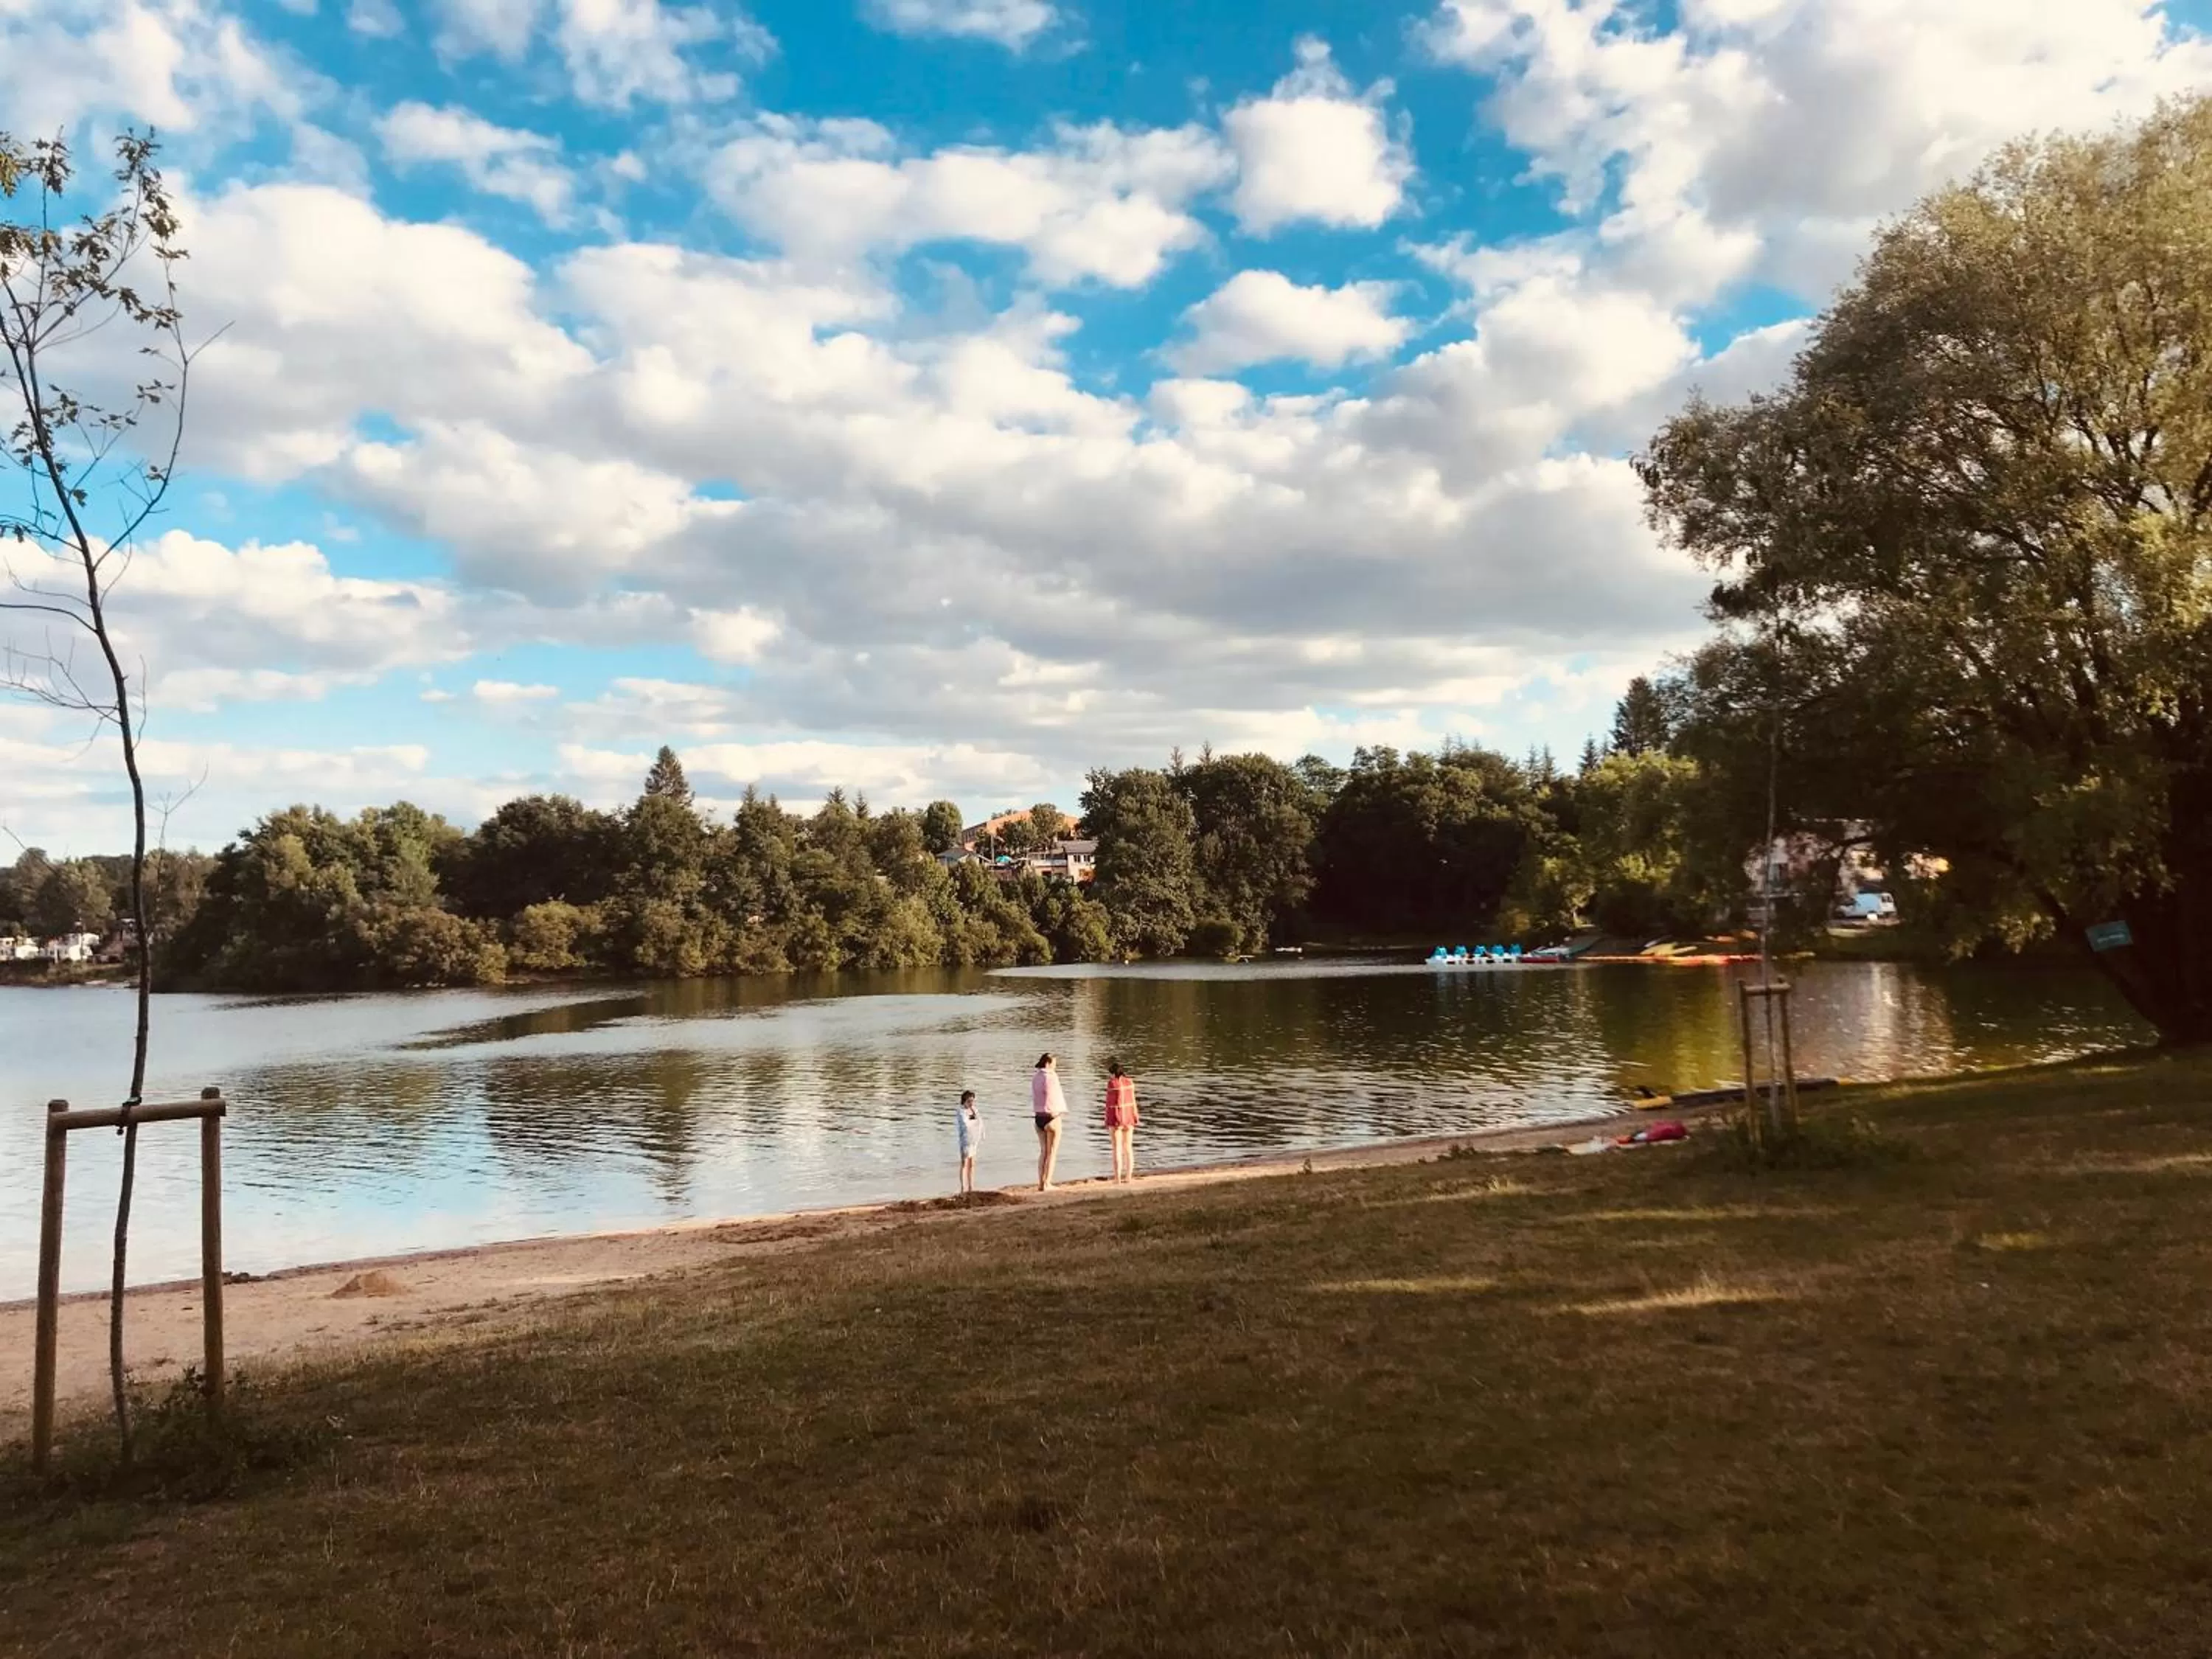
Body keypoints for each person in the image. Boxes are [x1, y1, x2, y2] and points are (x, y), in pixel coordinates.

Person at [1031, 1052, 1066, 1191]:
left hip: (1038, 1117)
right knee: (1052, 1152)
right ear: (1047, 1063)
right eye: (1053, 1064)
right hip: (1052, 1117)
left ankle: (1041, 1183)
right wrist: (1060, 1112)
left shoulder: (1035, 1077)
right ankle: (1047, 1183)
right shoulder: (1051, 1077)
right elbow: (1056, 1097)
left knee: (1043, 1151)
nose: (1055, 1067)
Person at [1104, 1058, 1140, 1183]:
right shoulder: (1130, 1082)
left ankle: (1117, 1178)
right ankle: (1129, 1176)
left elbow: (1109, 1104)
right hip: (1129, 1117)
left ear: (1113, 1073)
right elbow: (1133, 1101)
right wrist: (1136, 1116)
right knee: (1128, 1148)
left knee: (1116, 1148)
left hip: (1117, 1118)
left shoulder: (1112, 1084)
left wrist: (1107, 1121)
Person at [956, 1089, 984, 1196]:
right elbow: (965, 1124)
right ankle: (963, 1187)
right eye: (969, 1101)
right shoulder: (961, 1111)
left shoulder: (974, 1110)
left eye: (972, 1101)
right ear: (964, 1101)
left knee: (972, 1163)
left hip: (973, 1139)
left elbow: (980, 1122)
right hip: (965, 1140)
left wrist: (980, 1133)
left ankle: (971, 1186)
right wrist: (974, 1123)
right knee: (964, 1163)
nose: (971, 1103)